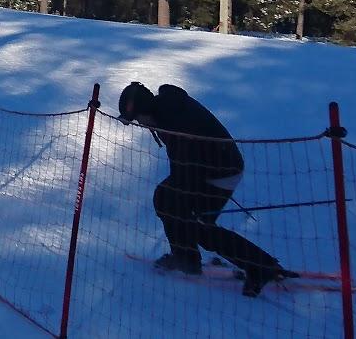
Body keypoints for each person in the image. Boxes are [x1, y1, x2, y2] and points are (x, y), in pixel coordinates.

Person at [117, 81, 295, 297]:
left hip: (221, 172)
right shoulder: (164, 112)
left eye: (138, 118)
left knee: (199, 226)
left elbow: (186, 162)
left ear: (145, 109)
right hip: (204, 168)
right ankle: (185, 258)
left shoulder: (172, 119)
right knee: (165, 198)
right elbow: (182, 163)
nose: (140, 124)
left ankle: (261, 267)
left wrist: (185, 206)